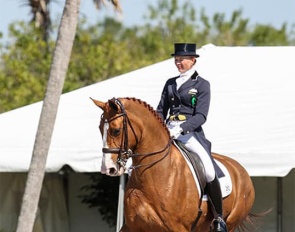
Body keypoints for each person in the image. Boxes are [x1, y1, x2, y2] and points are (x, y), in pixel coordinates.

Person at [156, 43, 227, 232]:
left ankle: (219, 218)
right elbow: (161, 109)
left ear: (192, 60)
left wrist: (181, 129)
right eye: (176, 60)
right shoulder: (170, 83)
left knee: (210, 171)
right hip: (167, 130)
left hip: (189, 133)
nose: (178, 63)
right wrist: (159, 128)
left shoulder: (202, 84)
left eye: (181, 60)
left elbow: (201, 115)